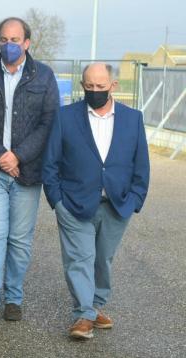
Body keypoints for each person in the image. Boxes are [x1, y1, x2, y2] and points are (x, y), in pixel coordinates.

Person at [42, 63, 150, 340]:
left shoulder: (133, 119)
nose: (94, 91)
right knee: (79, 258)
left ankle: (95, 305)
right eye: (89, 86)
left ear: (113, 86)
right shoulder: (65, 117)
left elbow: (141, 165)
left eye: (100, 87)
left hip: (117, 205)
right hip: (74, 204)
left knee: (103, 259)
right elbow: (50, 162)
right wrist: (57, 201)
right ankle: (84, 314)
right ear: (82, 85)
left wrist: (136, 199)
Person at [0, 17, 59, 323]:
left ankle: (14, 297)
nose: (9, 45)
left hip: (27, 173)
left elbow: (49, 123)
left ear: (27, 43)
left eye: (15, 39)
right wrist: (0, 155)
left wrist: (18, 156)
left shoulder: (44, 76)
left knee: (19, 239)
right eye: (4, 39)